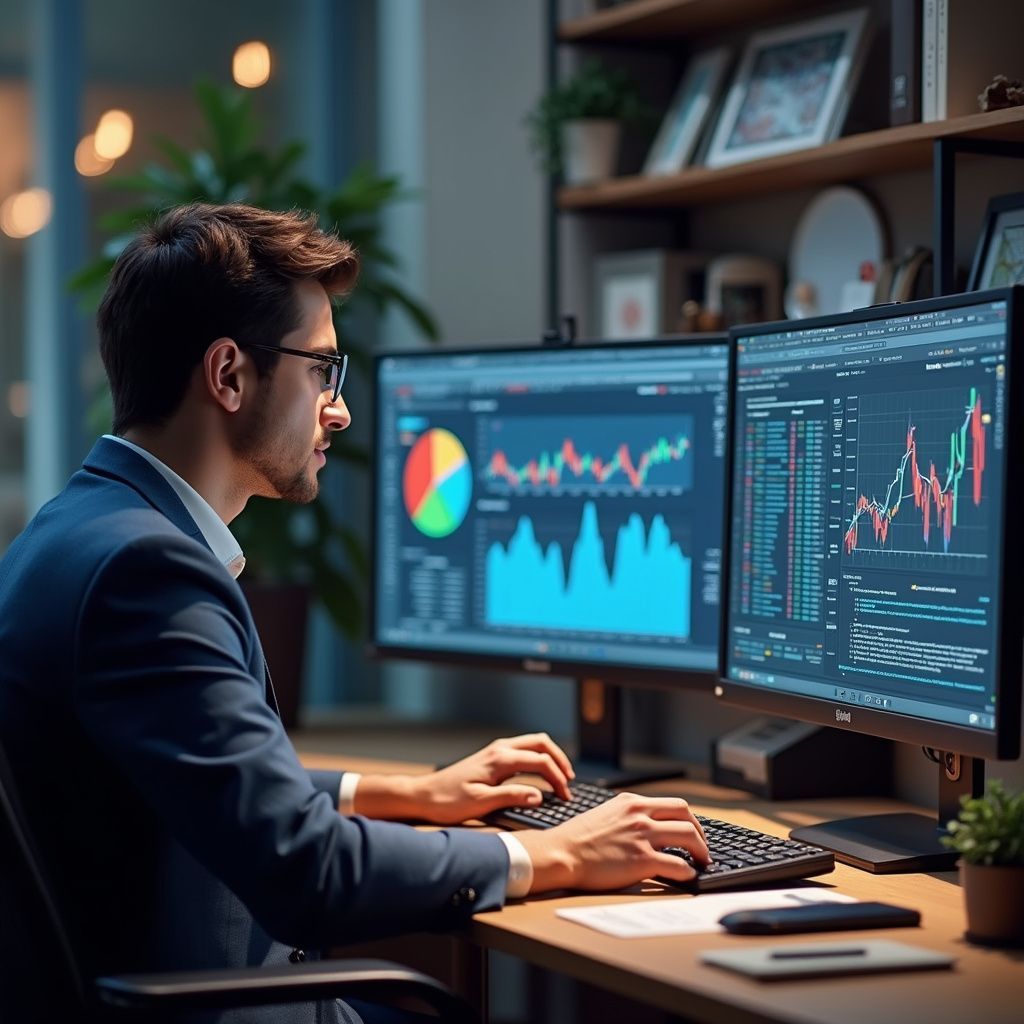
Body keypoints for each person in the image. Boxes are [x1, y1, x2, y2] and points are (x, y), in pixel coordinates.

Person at [0, 203, 709, 1024]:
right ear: (228, 375)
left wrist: (402, 794)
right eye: (321, 372)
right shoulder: (146, 573)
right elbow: (305, 872)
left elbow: (198, 775)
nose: (338, 411)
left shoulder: (71, 529)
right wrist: (546, 852)